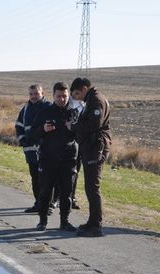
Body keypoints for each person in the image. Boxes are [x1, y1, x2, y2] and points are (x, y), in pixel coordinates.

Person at [30, 82, 79, 232]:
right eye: (59, 96)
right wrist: (43, 129)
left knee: (66, 192)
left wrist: (74, 128)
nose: (62, 99)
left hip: (68, 159)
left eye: (65, 96)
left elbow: (82, 134)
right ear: (53, 96)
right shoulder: (45, 112)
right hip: (48, 158)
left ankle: (65, 221)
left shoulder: (74, 113)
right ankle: (42, 221)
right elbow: (32, 134)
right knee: (45, 191)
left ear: (68, 95)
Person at [66, 78, 112, 237]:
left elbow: (93, 125)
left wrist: (74, 126)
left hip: (96, 148)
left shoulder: (96, 100)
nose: (76, 97)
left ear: (85, 88)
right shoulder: (91, 99)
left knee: (93, 187)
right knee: (90, 187)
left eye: (77, 93)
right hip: (91, 147)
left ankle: (96, 225)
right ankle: (92, 222)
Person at [15, 84, 51, 213]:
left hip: (46, 151)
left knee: (46, 179)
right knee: (35, 179)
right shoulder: (25, 109)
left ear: (42, 93)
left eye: (36, 93)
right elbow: (18, 125)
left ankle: (47, 205)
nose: (33, 96)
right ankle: (38, 204)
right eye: (31, 94)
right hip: (30, 151)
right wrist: (22, 139)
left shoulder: (49, 107)